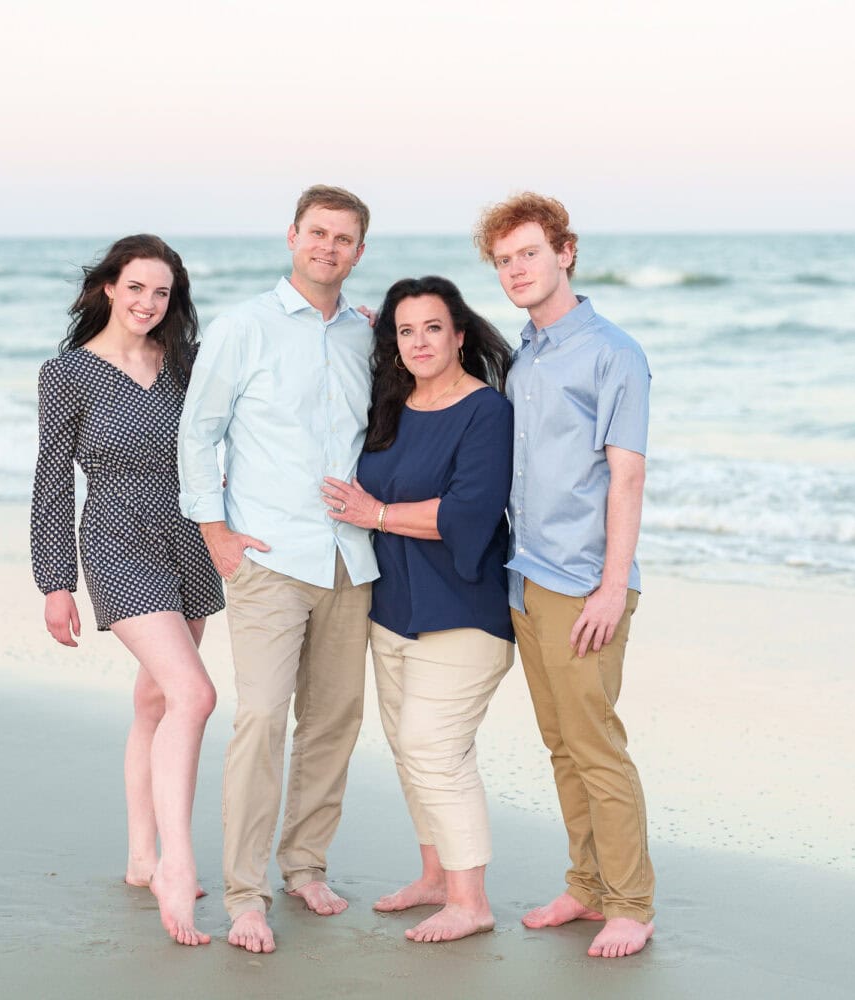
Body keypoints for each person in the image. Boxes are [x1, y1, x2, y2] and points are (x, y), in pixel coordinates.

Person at [176, 185, 378, 955]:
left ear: (359, 252)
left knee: (332, 722)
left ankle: (305, 864)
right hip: (267, 556)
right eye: (317, 232)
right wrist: (215, 532)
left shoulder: (366, 335)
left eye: (344, 238)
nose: (328, 247)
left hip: (350, 559)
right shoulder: (244, 328)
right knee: (261, 720)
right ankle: (246, 894)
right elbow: (200, 433)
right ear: (292, 235)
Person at [474, 193, 658, 959]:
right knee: (561, 744)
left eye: (528, 253)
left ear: (565, 253)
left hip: (583, 583)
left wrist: (612, 589)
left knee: (596, 744)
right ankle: (587, 886)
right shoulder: (528, 352)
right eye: (505, 259)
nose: (517, 269)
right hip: (525, 576)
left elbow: (627, 478)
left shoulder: (612, 352)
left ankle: (632, 904)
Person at [30, 234, 225, 947]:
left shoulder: (183, 365)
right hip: (116, 536)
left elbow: (241, 420)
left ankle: (142, 857)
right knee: (194, 696)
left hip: (188, 538)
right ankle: (179, 860)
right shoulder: (68, 374)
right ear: (109, 286)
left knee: (154, 700)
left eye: (162, 293)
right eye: (136, 287)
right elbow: (51, 478)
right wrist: (55, 583)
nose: (148, 303)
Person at [319, 276, 514, 943]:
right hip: (392, 610)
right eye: (407, 330)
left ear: (460, 334)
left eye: (434, 327)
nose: (421, 341)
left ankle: (471, 900)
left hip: (463, 611)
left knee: (436, 748)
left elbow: (469, 512)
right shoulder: (393, 404)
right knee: (408, 749)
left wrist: (377, 514)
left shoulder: (487, 412)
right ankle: (435, 877)